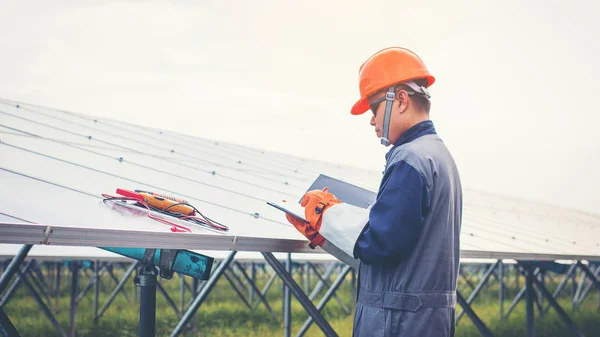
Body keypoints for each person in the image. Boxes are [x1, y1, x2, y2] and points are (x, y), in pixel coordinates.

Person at [286, 47, 462, 337]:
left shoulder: (410, 159)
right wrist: (324, 235)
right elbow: (403, 255)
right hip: (423, 323)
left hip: (398, 325)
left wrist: (325, 213)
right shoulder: (438, 156)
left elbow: (381, 243)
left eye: (374, 109)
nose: (371, 120)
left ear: (401, 100)